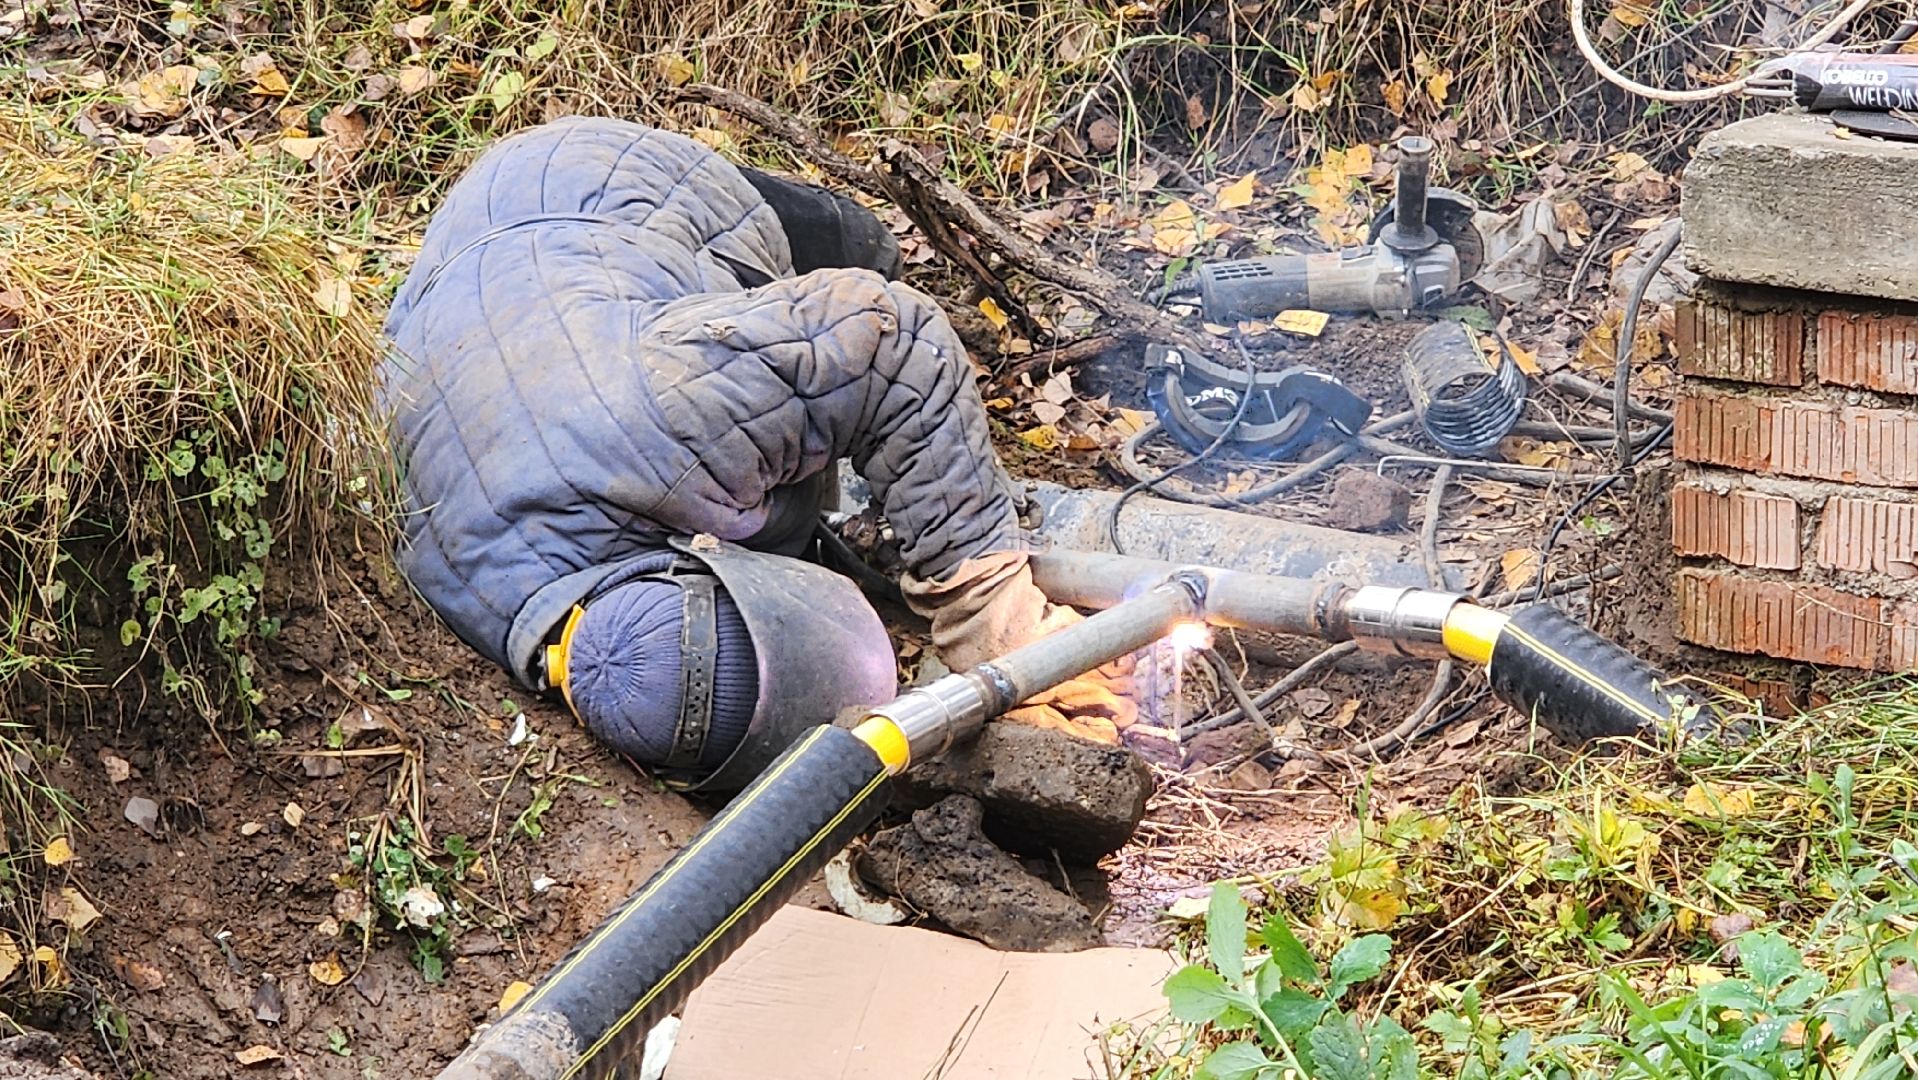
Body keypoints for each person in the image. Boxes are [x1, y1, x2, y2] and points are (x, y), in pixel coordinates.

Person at [380, 117, 1131, 792]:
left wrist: (992, 619)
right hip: (475, 272)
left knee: (863, 253)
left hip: (608, 184)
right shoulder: (491, 603)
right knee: (790, 447)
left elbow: (891, 337)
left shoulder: (668, 426)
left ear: (693, 555)